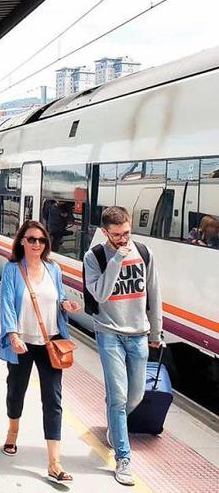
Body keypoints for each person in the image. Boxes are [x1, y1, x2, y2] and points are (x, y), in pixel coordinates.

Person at [0, 220, 81, 483]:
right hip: (22, 343)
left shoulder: (53, 269)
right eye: (31, 239)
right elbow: (7, 303)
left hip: (50, 343)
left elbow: (59, 298)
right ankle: (12, 431)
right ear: (21, 241)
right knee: (16, 391)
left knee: (53, 400)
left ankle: (54, 462)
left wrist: (67, 305)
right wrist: (12, 334)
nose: (36, 244)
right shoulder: (12, 270)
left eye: (41, 240)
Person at [84, 206, 162, 487]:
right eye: (116, 235)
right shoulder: (94, 257)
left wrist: (156, 330)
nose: (123, 239)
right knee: (117, 398)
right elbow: (102, 294)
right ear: (105, 232)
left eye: (126, 233)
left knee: (135, 396)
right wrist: (117, 258)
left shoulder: (144, 252)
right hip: (109, 334)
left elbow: (154, 292)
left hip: (139, 334)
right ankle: (123, 458)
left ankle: (114, 427)